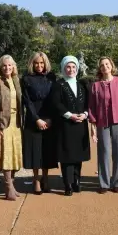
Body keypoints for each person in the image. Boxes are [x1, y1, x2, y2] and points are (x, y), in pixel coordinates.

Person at [88, 56, 118, 194]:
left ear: (111, 65)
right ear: (100, 69)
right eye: (102, 65)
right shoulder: (95, 86)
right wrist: (93, 126)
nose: (105, 67)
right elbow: (92, 107)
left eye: (107, 64)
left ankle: (117, 182)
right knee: (104, 152)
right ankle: (104, 183)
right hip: (102, 122)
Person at [49, 55, 91, 196]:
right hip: (66, 124)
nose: (71, 69)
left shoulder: (82, 85)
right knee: (67, 156)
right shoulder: (58, 84)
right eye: (68, 67)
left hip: (80, 123)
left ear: (77, 69)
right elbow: (56, 103)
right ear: (63, 68)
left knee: (78, 155)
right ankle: (68, 184)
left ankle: (76, 181)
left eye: (73, 67)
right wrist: (69, 115)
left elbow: (87, 103)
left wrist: (85, 114)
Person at [21, 52, 58, 195]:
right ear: (32, 63)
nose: (39, 66)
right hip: (33, 118)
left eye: (42, 63)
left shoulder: (51, 77)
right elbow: (27, 101)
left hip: (48, 118)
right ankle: (36, 179)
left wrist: (49, 119)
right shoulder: (26, 78)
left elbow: (54, 99)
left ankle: (46, 178)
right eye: (36, 63)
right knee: (35, 150)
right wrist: (36, 119)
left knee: (46, 150)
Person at [0, 54, 23, 200]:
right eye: (4, 65)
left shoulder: (16, 81)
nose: (7, 67)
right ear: (0, 67)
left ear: (13, 66)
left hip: (17, 122)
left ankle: (12, 185)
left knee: (15, 155)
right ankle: (8, 186)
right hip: (4, 122)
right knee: (6, 155)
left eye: (10, 65)